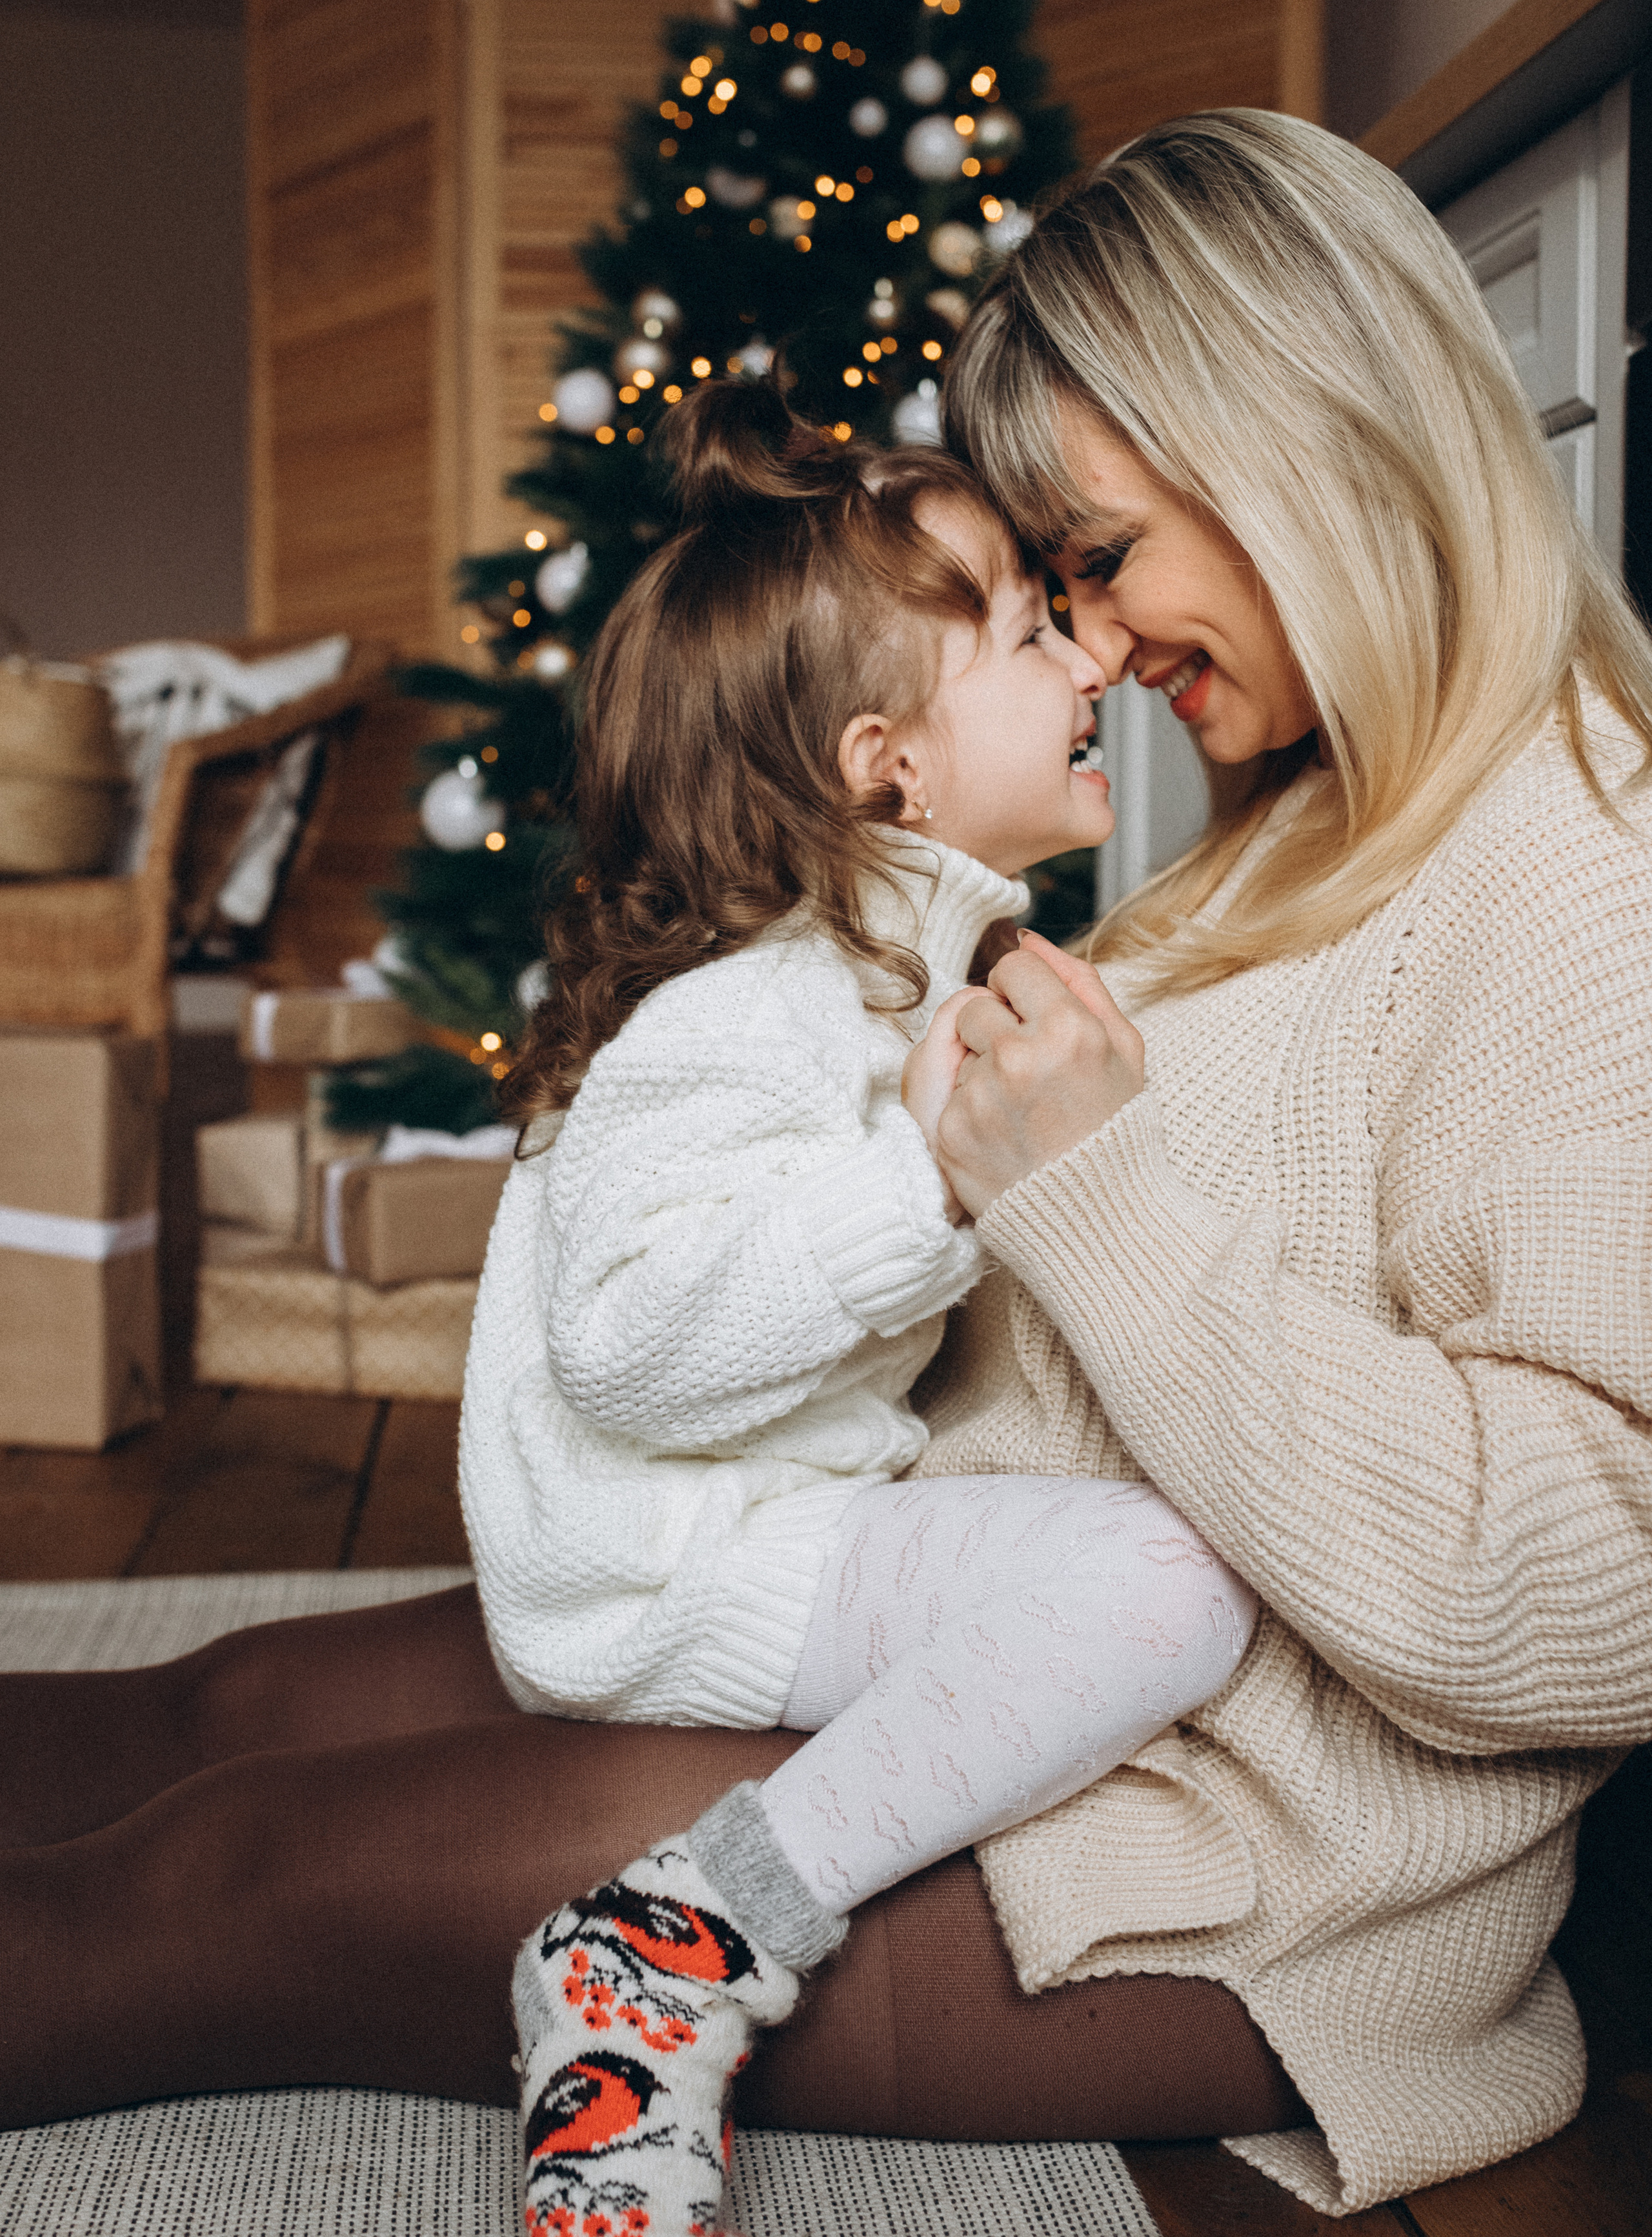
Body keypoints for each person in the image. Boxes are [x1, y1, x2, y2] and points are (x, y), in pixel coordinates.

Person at [1, 104, 1645, 2227]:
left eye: (1102, 557)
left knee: (221, 1886)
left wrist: (1093, 1202)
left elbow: (1597, 1596)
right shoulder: (1289, 817)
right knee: (214, 1717)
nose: (1098, 642)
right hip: (904, 1612)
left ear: (1300, 444)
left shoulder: (1577, 871)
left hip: (1202, 1848)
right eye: (1053, 586)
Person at [459, 380, 1257, 2237]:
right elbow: (630, 1343)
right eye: (1031, 624)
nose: (1091, 655)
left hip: (762, 1523)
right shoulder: (752, 1007)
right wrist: (929, 1185)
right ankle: (673, 1941)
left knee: (1133, 1581)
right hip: (678, 1567)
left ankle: (666, 1938)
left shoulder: (888, 973)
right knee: (1168, 1579)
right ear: (887, 762)